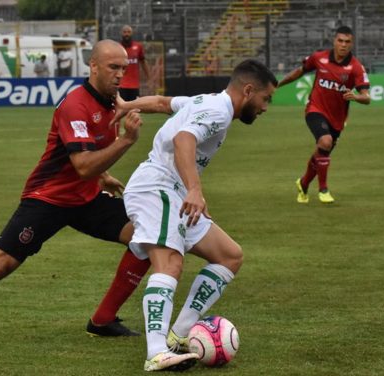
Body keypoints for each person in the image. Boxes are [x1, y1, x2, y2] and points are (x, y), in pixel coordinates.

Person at [0, 40, 153, 344]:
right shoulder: (74, 105)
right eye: (113, 67)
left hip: (86, 197)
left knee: (148, 235)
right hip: (47, 198)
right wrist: (126, 142)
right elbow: (83, 164)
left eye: (123, 68)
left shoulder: (114, 102)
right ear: (94, 66)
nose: (119, 75)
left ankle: (102, 320)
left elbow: (89, 155)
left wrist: (104, 176)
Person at [116, 59, 277, 371]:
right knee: (170, 263)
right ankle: (156, 352)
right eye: (265, 98)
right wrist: (195, 189)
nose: (266, 107)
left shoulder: (205, 101)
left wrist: (126, 105)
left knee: (229, 256)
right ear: (248, 90)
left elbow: (163, 103)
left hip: (174, 191)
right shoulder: (217, 110)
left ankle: (179, 335)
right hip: (157, 187)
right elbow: (183, 139)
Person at [278, 26, 370, 204]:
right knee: (325, 142)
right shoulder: (318, 58)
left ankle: (303, 184)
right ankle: (323, 189)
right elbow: (299, 71)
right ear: (334, 41)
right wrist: (278, 84)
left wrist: (357, 97)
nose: (343, 45)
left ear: (352, 44)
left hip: (337, 119)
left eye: (347, 42)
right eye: (340, 41)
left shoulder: (356, 67)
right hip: (315, 109)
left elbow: (367, 98)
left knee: (322, 151)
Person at [119, 25, 150, 101]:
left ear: (132, 33)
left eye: (128, 32)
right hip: (120, 85)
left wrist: (148, 78)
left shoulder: (138, 46)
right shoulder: (117, 47)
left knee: (134, 109)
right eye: (125, 32)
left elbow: (143, 62)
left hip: (134, 86)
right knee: (121, 109)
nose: (126, 34)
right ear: (121, 33)